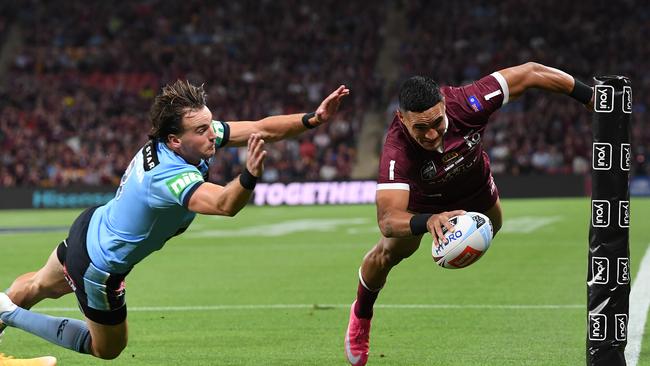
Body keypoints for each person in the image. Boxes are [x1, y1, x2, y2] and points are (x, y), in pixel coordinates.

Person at [0, 80, 349, 360]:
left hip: (90, 227)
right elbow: (225, 205)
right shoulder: (167, 176)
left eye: (209, 125)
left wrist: (313, 119)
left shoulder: (187, 140)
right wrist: (250, 175)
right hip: (100, 266)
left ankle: (5, 311)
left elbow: (259, 128)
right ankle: (8, 313)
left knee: (33, 288)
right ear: (175, 140)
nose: (212, 133)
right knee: (107, 349)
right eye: (201, 130)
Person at [344, 62, 594, 365]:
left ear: (445, 105)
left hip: (473, 185)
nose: (431, 134)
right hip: (423, 200)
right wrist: (428, 220)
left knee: (495, 225)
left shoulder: (470, 102)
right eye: (419, 128)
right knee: (391, 252)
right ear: (401, 118)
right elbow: (386, 219)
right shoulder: (398, 149)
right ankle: (361, 314)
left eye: (436, 122)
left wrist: (589, 97)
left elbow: (530, 73)